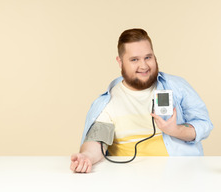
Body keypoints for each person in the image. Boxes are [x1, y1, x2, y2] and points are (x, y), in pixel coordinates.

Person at [70, 28, 213, 173]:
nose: (144, 66)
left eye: (148, 57)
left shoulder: (178, 87)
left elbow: (204, 124)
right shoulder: (108, 101)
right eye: (134, 60)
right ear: (120, 62)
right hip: (126, 178)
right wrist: (86, 157)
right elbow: (97, 141)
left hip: (178, 174)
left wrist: (176, 130)